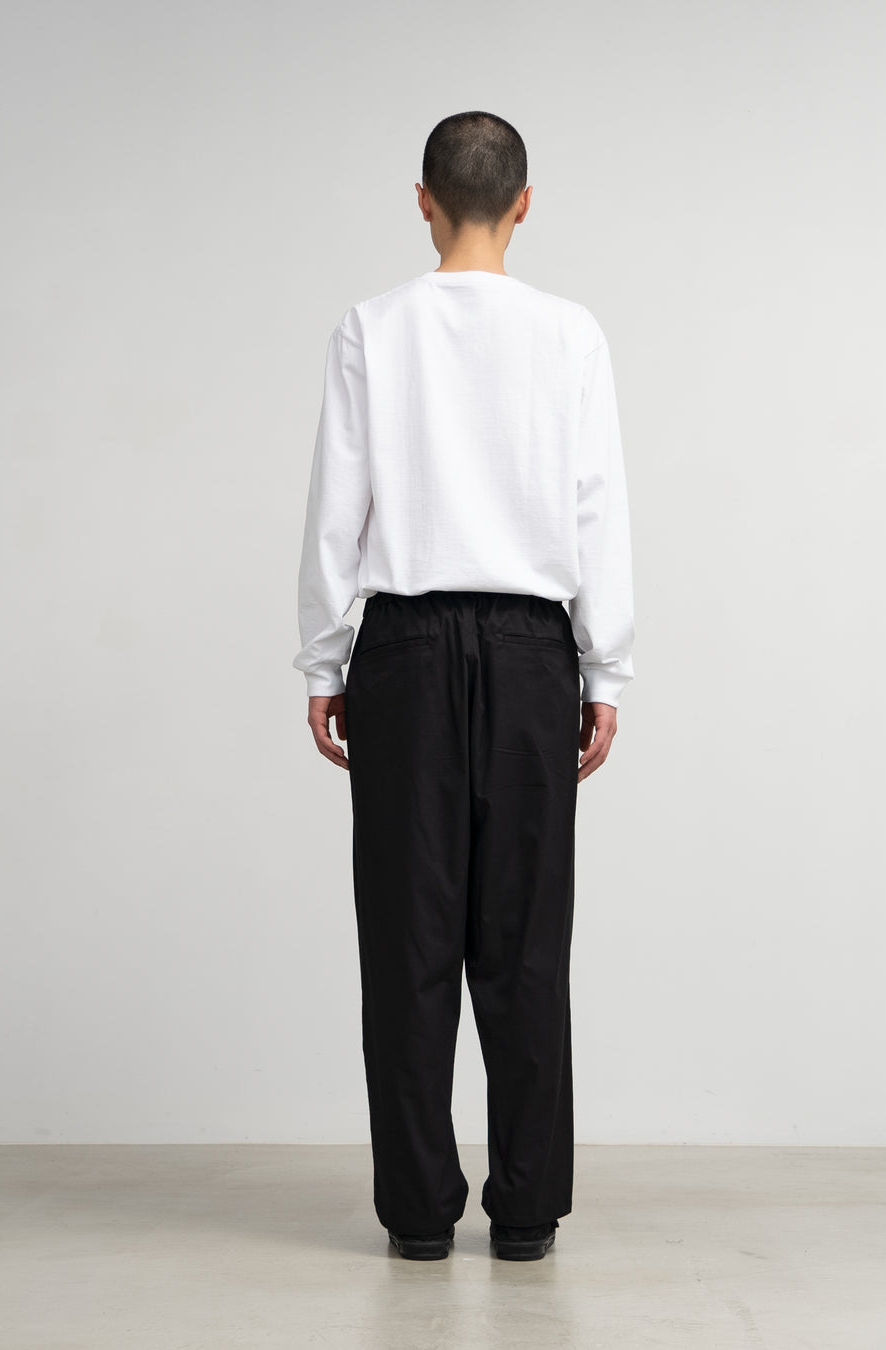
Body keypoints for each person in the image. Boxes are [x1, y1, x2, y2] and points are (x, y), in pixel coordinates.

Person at [293, 110, 635, 1261]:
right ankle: (527, 1212)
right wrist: (605, 664)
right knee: (525, 939)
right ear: (525, 203)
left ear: (424, 201)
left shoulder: (372, 327)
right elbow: (596, 506)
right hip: (536, 649)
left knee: (408, 937)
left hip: (402, 647)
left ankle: (418, 1215)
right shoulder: (571, 334)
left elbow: (338, 507)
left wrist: (325, 656)